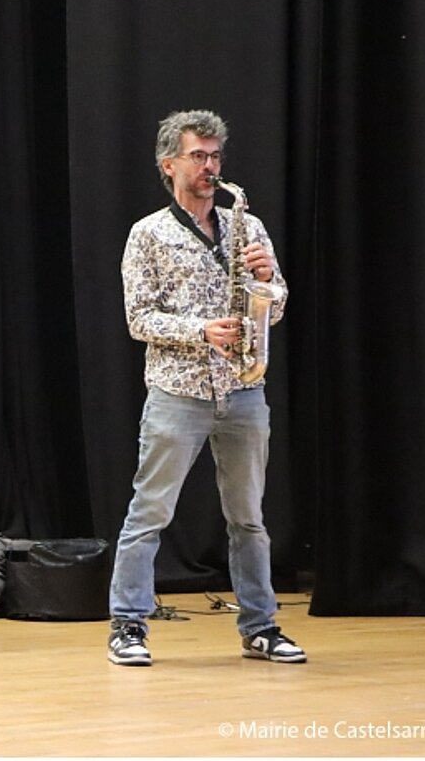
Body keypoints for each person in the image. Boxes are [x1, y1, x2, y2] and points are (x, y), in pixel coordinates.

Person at [106, 110, 306, 666]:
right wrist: (201, 331)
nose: (210, 167)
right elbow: (139, 318)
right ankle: (127, 625)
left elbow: (279, 306)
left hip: (243, 389)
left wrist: (267, 281)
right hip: (178, 391)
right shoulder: (147, 234)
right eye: (199, 156)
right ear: (169, 164)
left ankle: (261, 627)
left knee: (249, 519)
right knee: (150, 512)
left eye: (216, 156)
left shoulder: (250, 225)